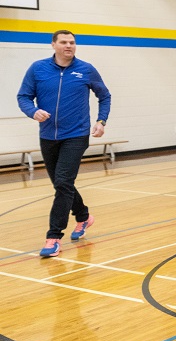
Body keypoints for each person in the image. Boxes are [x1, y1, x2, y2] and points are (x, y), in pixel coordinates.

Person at [16, 30, 111, 258]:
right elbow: (23, 96)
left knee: (63, 182)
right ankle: (84, 216)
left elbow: (104, 96)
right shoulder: (38, 69)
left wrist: (101, 120)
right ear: (54, 45)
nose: (69, 46)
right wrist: (33, 111)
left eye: (72, 42)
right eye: (64, 42)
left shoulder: (86, 69)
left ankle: (53, 237)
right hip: (48, 135)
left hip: (76, 135)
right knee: (62, 184)